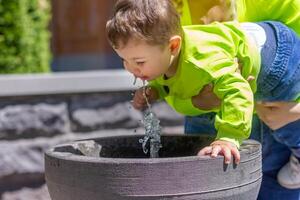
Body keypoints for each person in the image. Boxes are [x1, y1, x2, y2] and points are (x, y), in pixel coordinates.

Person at [106, 1, 300, 198]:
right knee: (205, 151)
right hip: (236, 57)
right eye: (124, 60)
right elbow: (173, 74)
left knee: (285, 116)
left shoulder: (201, 64)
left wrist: (228, 138)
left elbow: (238, 91)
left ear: (173, 46)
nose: (131, 69)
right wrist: (156, 90)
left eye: (139, 62)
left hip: (278, 56)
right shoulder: (163, 42)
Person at [178, 0, 300, 199]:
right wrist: (195, 102)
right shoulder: (171, 8)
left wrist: (297, 111)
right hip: (211, 126)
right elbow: (161, 71)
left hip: (284, 130)